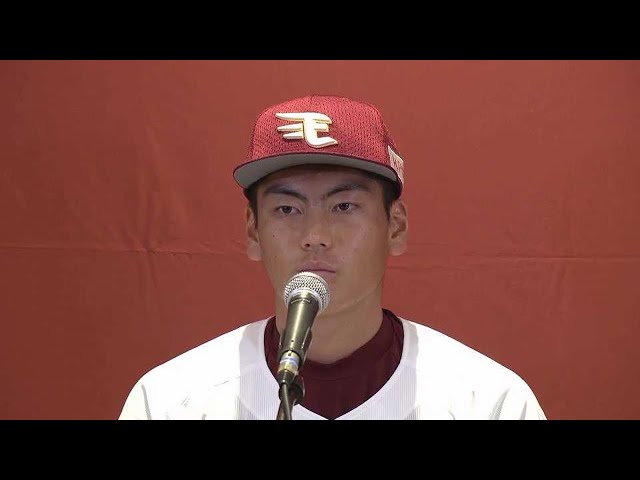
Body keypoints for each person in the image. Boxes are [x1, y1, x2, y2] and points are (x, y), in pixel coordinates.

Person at [118, 94, 547, 420]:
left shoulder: (490, 403)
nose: (315, 236)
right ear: (252, 231)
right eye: (287, 209)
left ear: (395, 226)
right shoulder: (170, 401)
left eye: (344, 206)